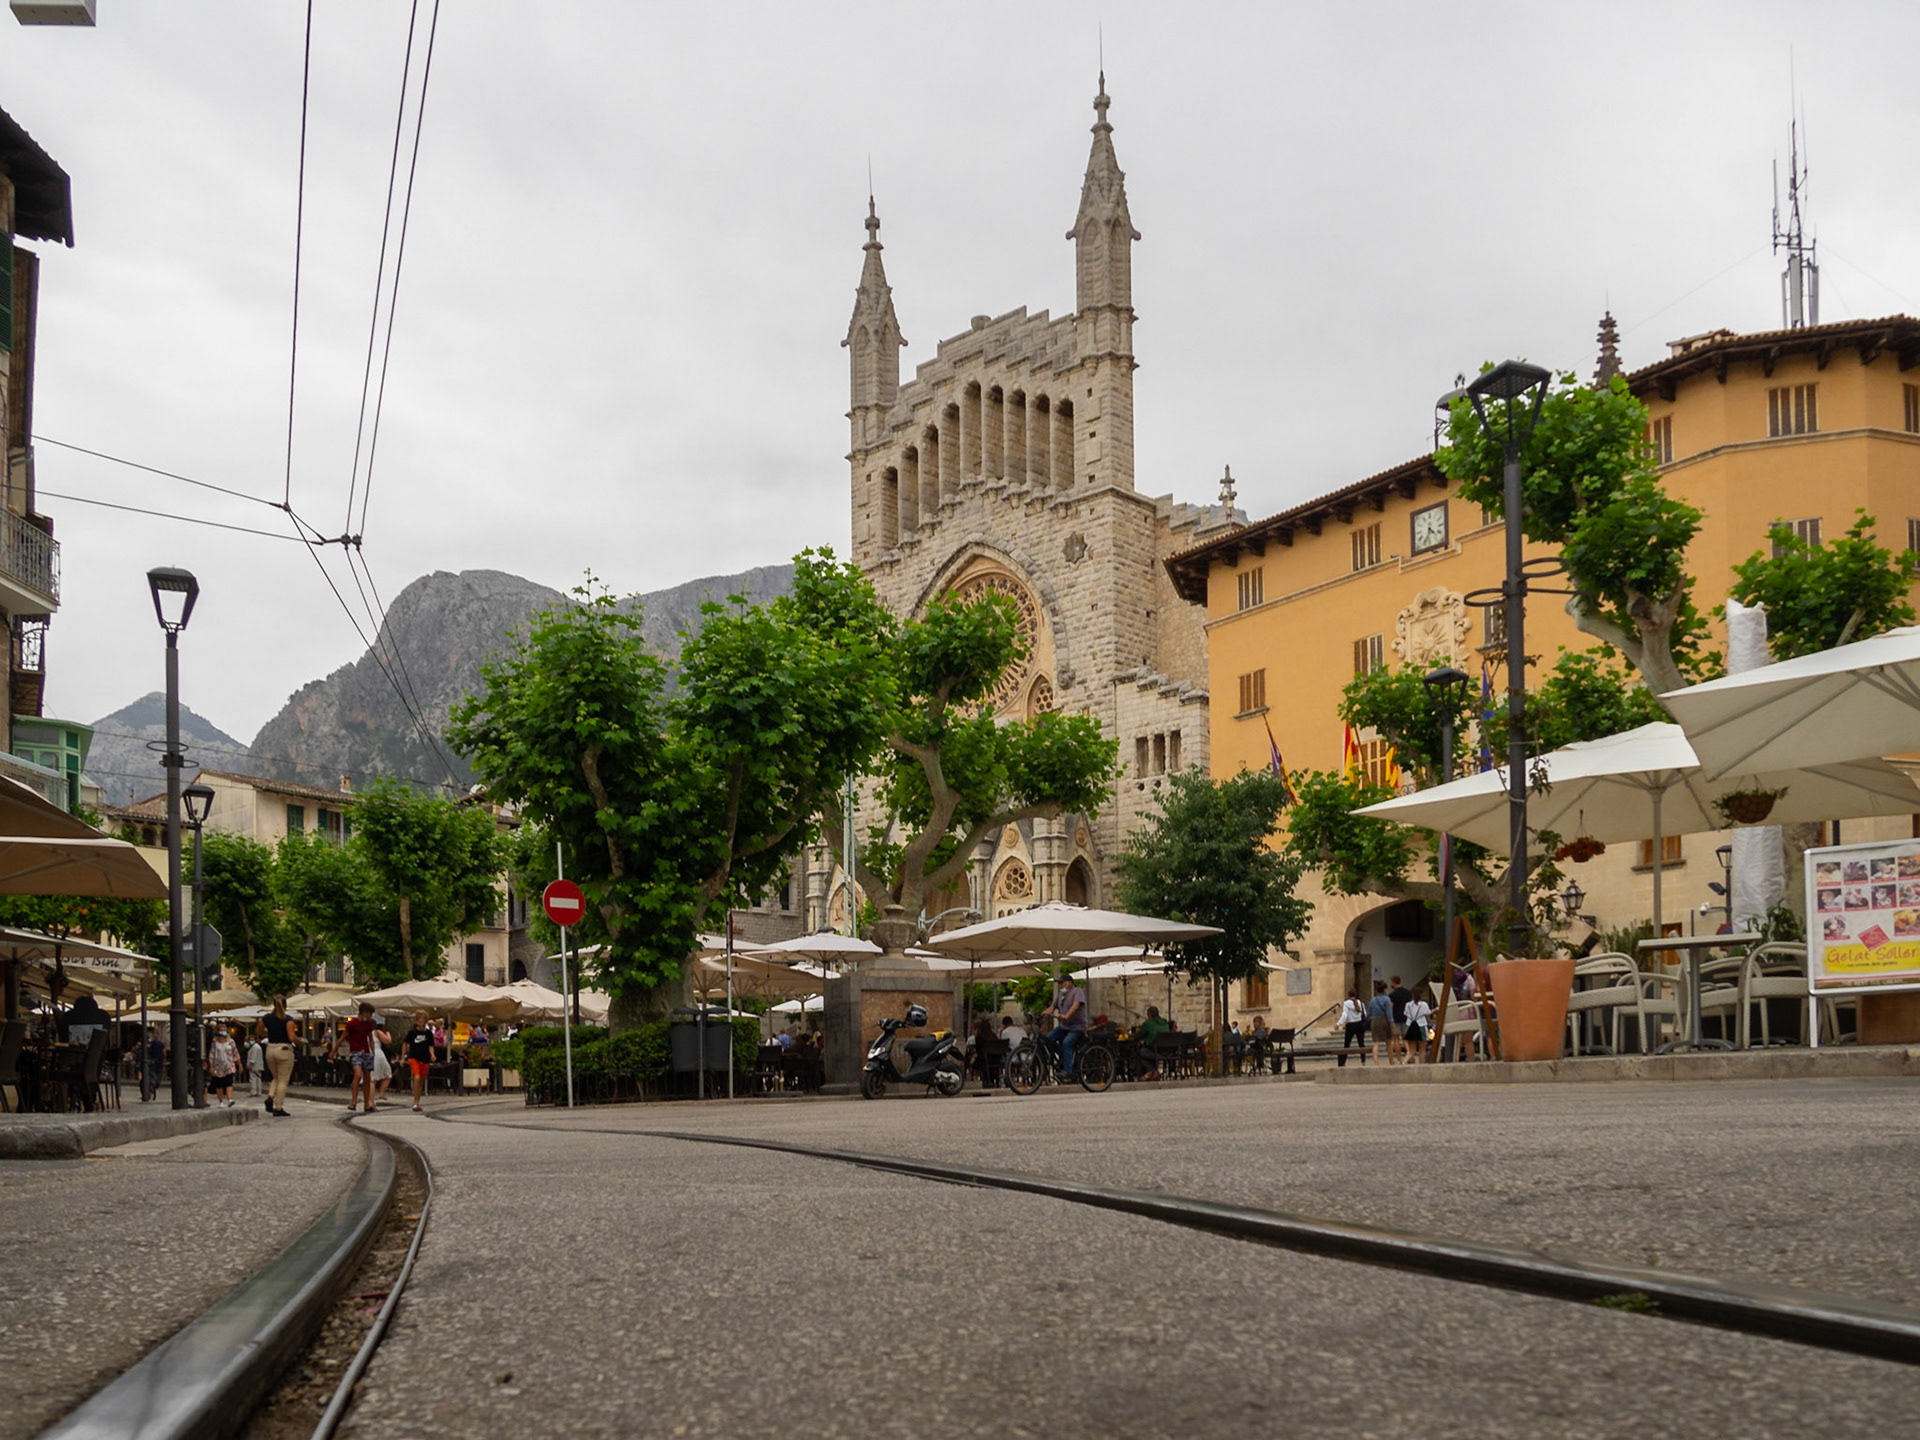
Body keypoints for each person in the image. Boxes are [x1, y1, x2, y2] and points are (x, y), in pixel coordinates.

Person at [327, 1001, 380, 1113]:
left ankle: (366, 1104)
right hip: (356, 1052)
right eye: (369, 1014)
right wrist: (333, 1051)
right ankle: (354, 1101)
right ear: (364, 1012)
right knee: (358, 1074)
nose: (370, 1016)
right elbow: (342, 1037)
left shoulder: (368, 1024)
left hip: (366, 1052)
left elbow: (370, 1038)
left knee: (367, 1077)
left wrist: (372, 1051)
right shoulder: (352, 1024)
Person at [255, 998, 299, 1116]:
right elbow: (291, 1037)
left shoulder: (267, 1018)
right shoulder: (288, 1019)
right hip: (284, 1049)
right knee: (283, 1080)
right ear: (285, 1005)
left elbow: (258, 1030)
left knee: (276, 1077)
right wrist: (300, 1042)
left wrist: (267, 1034)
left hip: (270, 1049)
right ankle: (278, 1107)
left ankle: (270, 1096)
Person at [1045, 972, 1089, 1079]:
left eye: (1061, 983)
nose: (1059, 986)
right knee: (1048, 1038)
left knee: (1066, 1043)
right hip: (1065, 1026)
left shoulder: (1077, 991)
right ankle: (1065, 1056)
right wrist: (1042, 1014)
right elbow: (1052, 1007)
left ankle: (1068, 1071)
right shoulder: (1061, 995)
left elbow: (1076, 1005)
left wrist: (1066, 1015)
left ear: (1068, 983)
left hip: (1077, 1026)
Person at [403, 1012, 435, 1112]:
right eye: (420, 1022)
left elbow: (430, 1045)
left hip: (425, 1058)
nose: (422, 1024)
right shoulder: (412, 1033)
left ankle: (417, 1101)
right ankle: (415, 1102)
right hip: (414, 1057)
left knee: (421, 1080)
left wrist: (432, 1055)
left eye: (424, 1022)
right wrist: (403, 1057)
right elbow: (405, 1043)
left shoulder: (428, 1033)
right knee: (416, 1077)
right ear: (416, 1022)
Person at [1135, 1004, 1170, 1080]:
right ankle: (1152, 1072)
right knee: (1149, 1050)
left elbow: (1138, 1036)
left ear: (1149, 1015)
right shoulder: (1165, 1022)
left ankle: (1152, 1070)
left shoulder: (1148, 1023)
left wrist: (1137, 1032)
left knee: (1141, 1052)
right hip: (1168, 1052)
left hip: (1156, 1052)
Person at [206, 1025, 239, 1106]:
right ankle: (221, 1101)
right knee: (219, 1084)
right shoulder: (214, 1043)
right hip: (218, 1066)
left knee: (229, 1082)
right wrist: (211, 1066)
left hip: (229, 1065)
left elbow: (235, 1052)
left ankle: (229, 1099)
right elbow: (211, 1055)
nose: (223, 1032)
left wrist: (238, 1062)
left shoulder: (231, 1042)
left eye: (224, 1030)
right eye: (221, 1030)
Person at [1367, 980, 1395, 1065]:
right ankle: (1391, 1061)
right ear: (1384, 990)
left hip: (1374, 1021)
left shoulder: (1373, 1000)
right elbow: (1389, 1012)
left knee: (1376, 1042)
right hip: (1384, 1020)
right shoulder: (1387, 999)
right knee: (1388, 1042)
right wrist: (1392, 1022)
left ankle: (1376, 1062)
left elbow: (1369, 1012)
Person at [1338, 990, 1369, 1067]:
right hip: (1359, 1024)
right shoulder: (1361, 1003)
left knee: (1347, 1044)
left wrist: (1338, 1023)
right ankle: (1363, 1061)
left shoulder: (1346, 1003)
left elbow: (1345, 1015)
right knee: (1361, 1043)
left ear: (1348, 995)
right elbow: (1365, 1014)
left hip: (1351, 1025)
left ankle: (1343, 1061)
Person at [370, 1015, 395, 1106]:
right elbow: (388, 1041)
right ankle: (379, 1094)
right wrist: (388, 1033)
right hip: (378, 1054)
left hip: (368, 1054)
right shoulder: (377, 1032)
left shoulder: (363, 1034)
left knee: (372, 1078)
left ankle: (372, 1099)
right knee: (387, 1075)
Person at [1404, 988, 1433, 1064]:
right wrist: (1429, 1024)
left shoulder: (1408, 1005)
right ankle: (1421, 1065)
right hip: (1421, 1026)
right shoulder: (1424, 1004)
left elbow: (1406, 1014)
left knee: (1412, 1050)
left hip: (1410, 1026)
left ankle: (1404, 1062)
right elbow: (1427, 1015)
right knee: (1422, 1050)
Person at [1388, 975, 1413, 1063]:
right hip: (1406, 1018)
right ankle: (1409, 1055)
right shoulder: (1408, 992)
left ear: (1394, 982)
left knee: (1396, 1039)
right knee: (1405, 1038)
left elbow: (1391, 1007)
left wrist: (1390, 1019)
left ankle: (1399, 1059)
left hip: (1396, 1018)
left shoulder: (1392, 995)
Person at [246, 1032, 265, 1100]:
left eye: (252, 1040)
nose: (250, 1041)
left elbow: (253, 1057)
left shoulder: (255, 1047)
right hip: (258, 1065)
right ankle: (258, 1091)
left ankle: (253, 1092)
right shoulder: (257, 1047)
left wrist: (250, 1065)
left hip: (254, 1066)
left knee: (253, 1079)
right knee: (258, 1079)